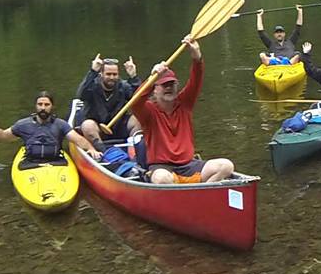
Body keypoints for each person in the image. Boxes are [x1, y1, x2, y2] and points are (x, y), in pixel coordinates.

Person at [131, 36, 234, 184]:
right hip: (162, 168)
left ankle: (202, 193)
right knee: (161, 179)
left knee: (226, 166)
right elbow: (135, 102)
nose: (169, 88)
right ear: (155, 90)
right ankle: (186, 198)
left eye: (172, 84)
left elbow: (196, 80)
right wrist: (150, 79)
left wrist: (197, 57)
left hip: (189, 165)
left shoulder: (185, 103)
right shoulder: (148, 111)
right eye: (164, 85)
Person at [0, 91, 102, 162]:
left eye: (46, 104)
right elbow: (2, 136)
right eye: (40, 104)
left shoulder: (60, 124)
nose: (43, 108)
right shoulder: (23, 125)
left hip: (55, 162)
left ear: (52, 106)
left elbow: (78, 139)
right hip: (31, 163)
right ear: (35, 106)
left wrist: (91, 149)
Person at [76, 54, 142, 150]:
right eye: (108, 74)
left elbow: (139, 99)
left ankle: (134, 151)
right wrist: (92, 72)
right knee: (87, 126)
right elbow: (80, 95)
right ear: (101, 74)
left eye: (114, 74)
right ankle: (103, 152)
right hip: (97, 130)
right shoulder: (92, 86)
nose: (112, 77)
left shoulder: (124, 86)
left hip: (118, 127)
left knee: (137, 119)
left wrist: (133, 76)